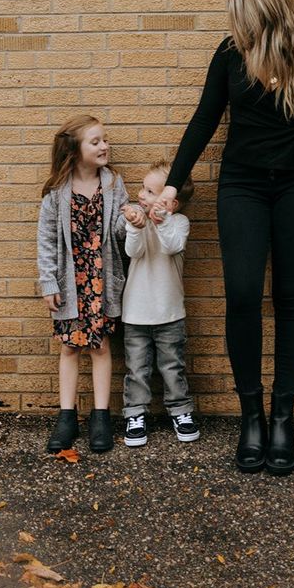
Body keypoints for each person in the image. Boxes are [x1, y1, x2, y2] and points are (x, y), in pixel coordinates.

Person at [152, 0, 294, 475]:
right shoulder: (231, 54)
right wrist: (171, 186)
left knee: (291, 297)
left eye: (241, 20)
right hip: (243, 187)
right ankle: (252, 414)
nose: (235, 28)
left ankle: (283, 418)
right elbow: (204, 120)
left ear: (263, 18)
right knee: (244, 294)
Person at [36, 114, 128, 454]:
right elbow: (46, 240)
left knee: (100, 346)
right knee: (70, 347)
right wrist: (48, 281)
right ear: (75, 150)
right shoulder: (56, 192)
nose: (105, 146)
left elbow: (119, 233)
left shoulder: (114, 184)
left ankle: (101, 416)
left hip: (101, 280)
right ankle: (67, 415)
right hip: (69, 282)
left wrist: (131, 219)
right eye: (96, 141)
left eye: (105, 139)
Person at [120, 160, 199, 447]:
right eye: (142, 188)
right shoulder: (135, 219)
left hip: (170, 313)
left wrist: (160, 220)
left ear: (171, 202)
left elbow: (172, 246)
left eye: (150, 191)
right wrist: (135, 227)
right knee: (137, 369)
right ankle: (135, 414)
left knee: (172, 367)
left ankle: (181, 411)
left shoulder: (178, 223)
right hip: (135, 313)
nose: (141, 195)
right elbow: (134, 253)